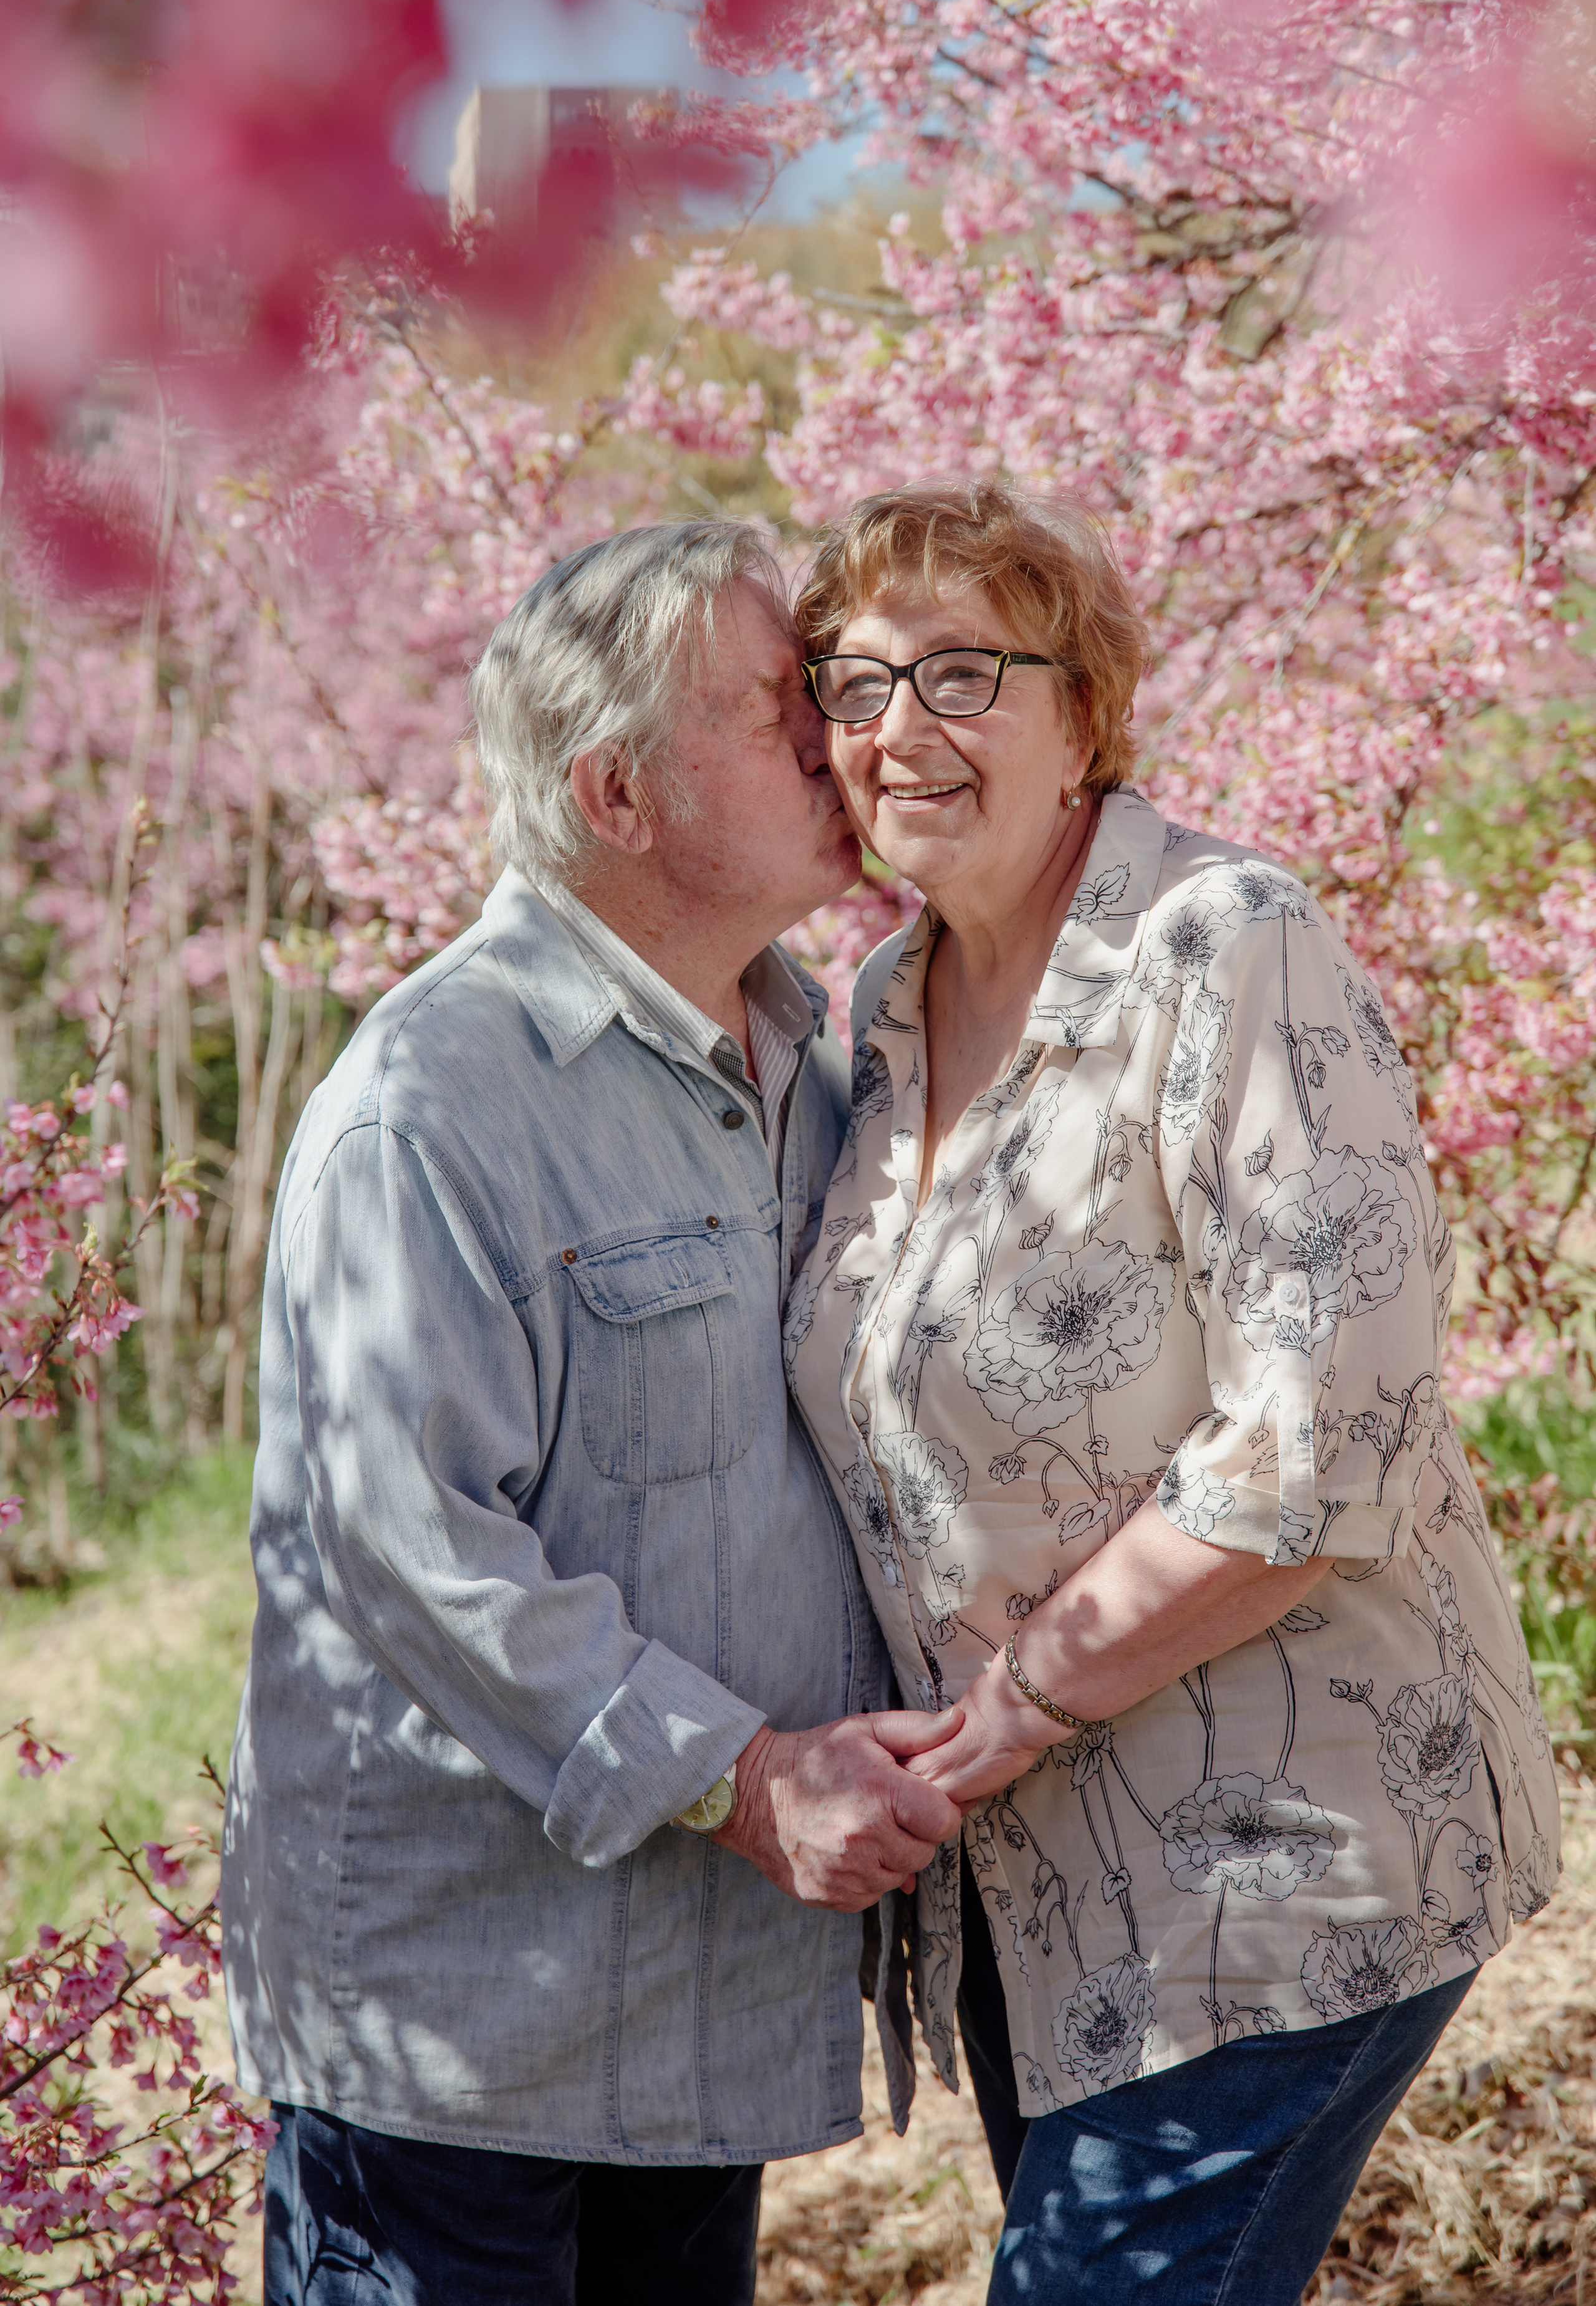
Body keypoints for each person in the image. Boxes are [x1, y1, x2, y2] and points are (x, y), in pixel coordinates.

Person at [786, 480, 1561, 2306]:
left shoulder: (1226, 944)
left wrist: (1002, 1713)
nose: (898, 726)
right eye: (855, 680)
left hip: (1281, 1870)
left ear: (1088, 713)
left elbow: (1315, 1444)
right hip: (1040, 1896)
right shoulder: (881, 1012)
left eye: (965, 672)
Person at [220, 520, 961, 2306]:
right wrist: (746, 1775)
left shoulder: (816, 1062)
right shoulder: (434, 1100)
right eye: (776, 699)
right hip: (463, 2046)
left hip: (694, 2024)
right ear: (619, 789)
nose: (832, 731)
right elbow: (414, 1548)